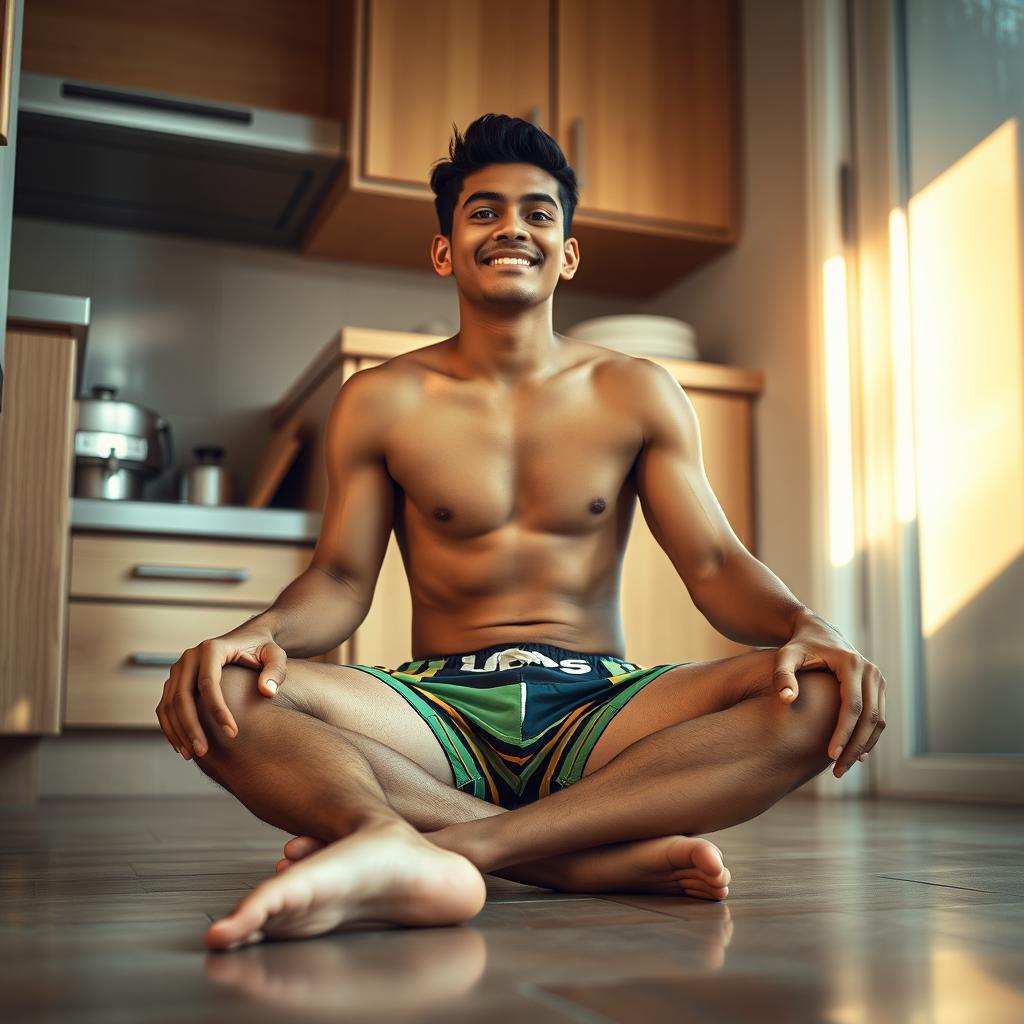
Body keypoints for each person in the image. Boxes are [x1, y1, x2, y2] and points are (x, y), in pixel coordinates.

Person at [156, 114, 886, 951]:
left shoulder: (637, 391)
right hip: (434, 708)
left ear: (568, 252)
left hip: (603, 703)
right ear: (445, 250)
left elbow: (716, 563)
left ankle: (439, 849)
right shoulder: (381, 399)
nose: (513, 228)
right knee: (225, 690)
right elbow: (340, 583)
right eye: (484, 211)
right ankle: (560, 860)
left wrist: (810, 626)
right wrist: (254, 635)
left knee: (820, 691)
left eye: (539, 213)